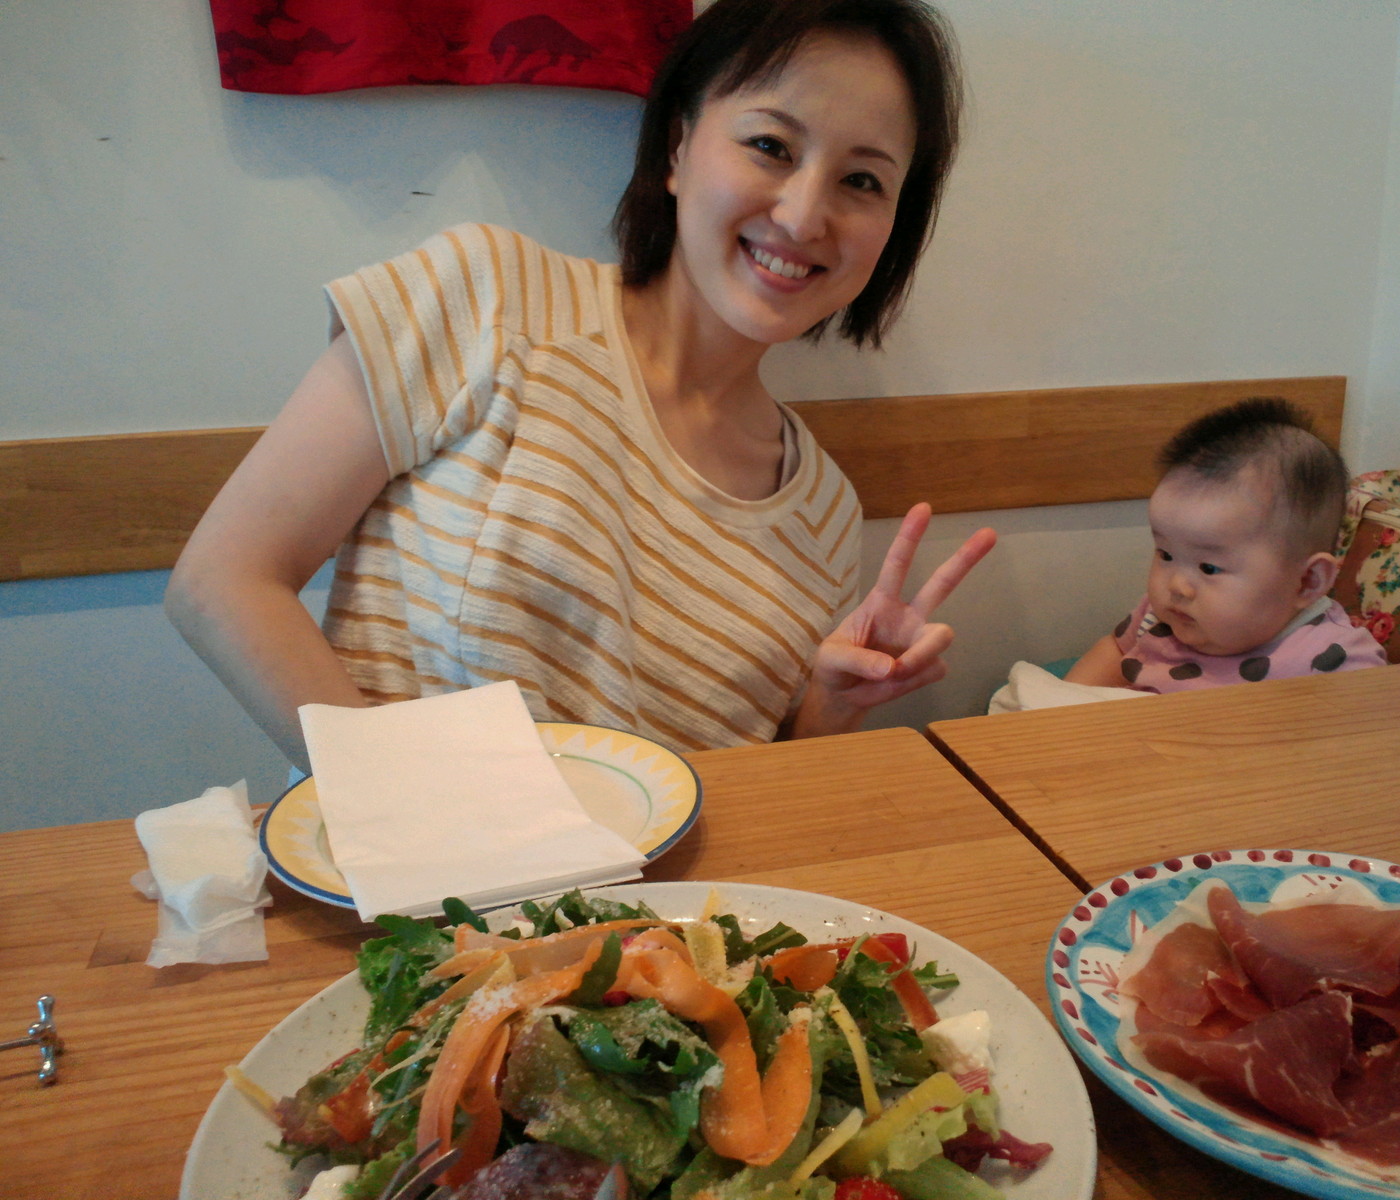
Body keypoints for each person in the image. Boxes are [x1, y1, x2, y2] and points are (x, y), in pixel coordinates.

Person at [166, 0, 995, 772]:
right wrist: (406, 815)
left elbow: (747, 786)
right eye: (771, 147)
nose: (805, 215)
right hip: (400, 873)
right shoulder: (487, 297)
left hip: (653, 890)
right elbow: (223, 581)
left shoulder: (824, 515)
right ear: (677, 149)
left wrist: (831, 705)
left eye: (863, 181)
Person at [1063, 397, 1385, 693]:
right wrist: (1063, 702)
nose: (1176, 586)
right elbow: (1115, 650)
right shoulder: (1160, 617)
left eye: (1208, 568)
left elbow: (1375, 721)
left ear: (1307, 581)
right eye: (1166, 554)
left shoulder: (1335, 661)